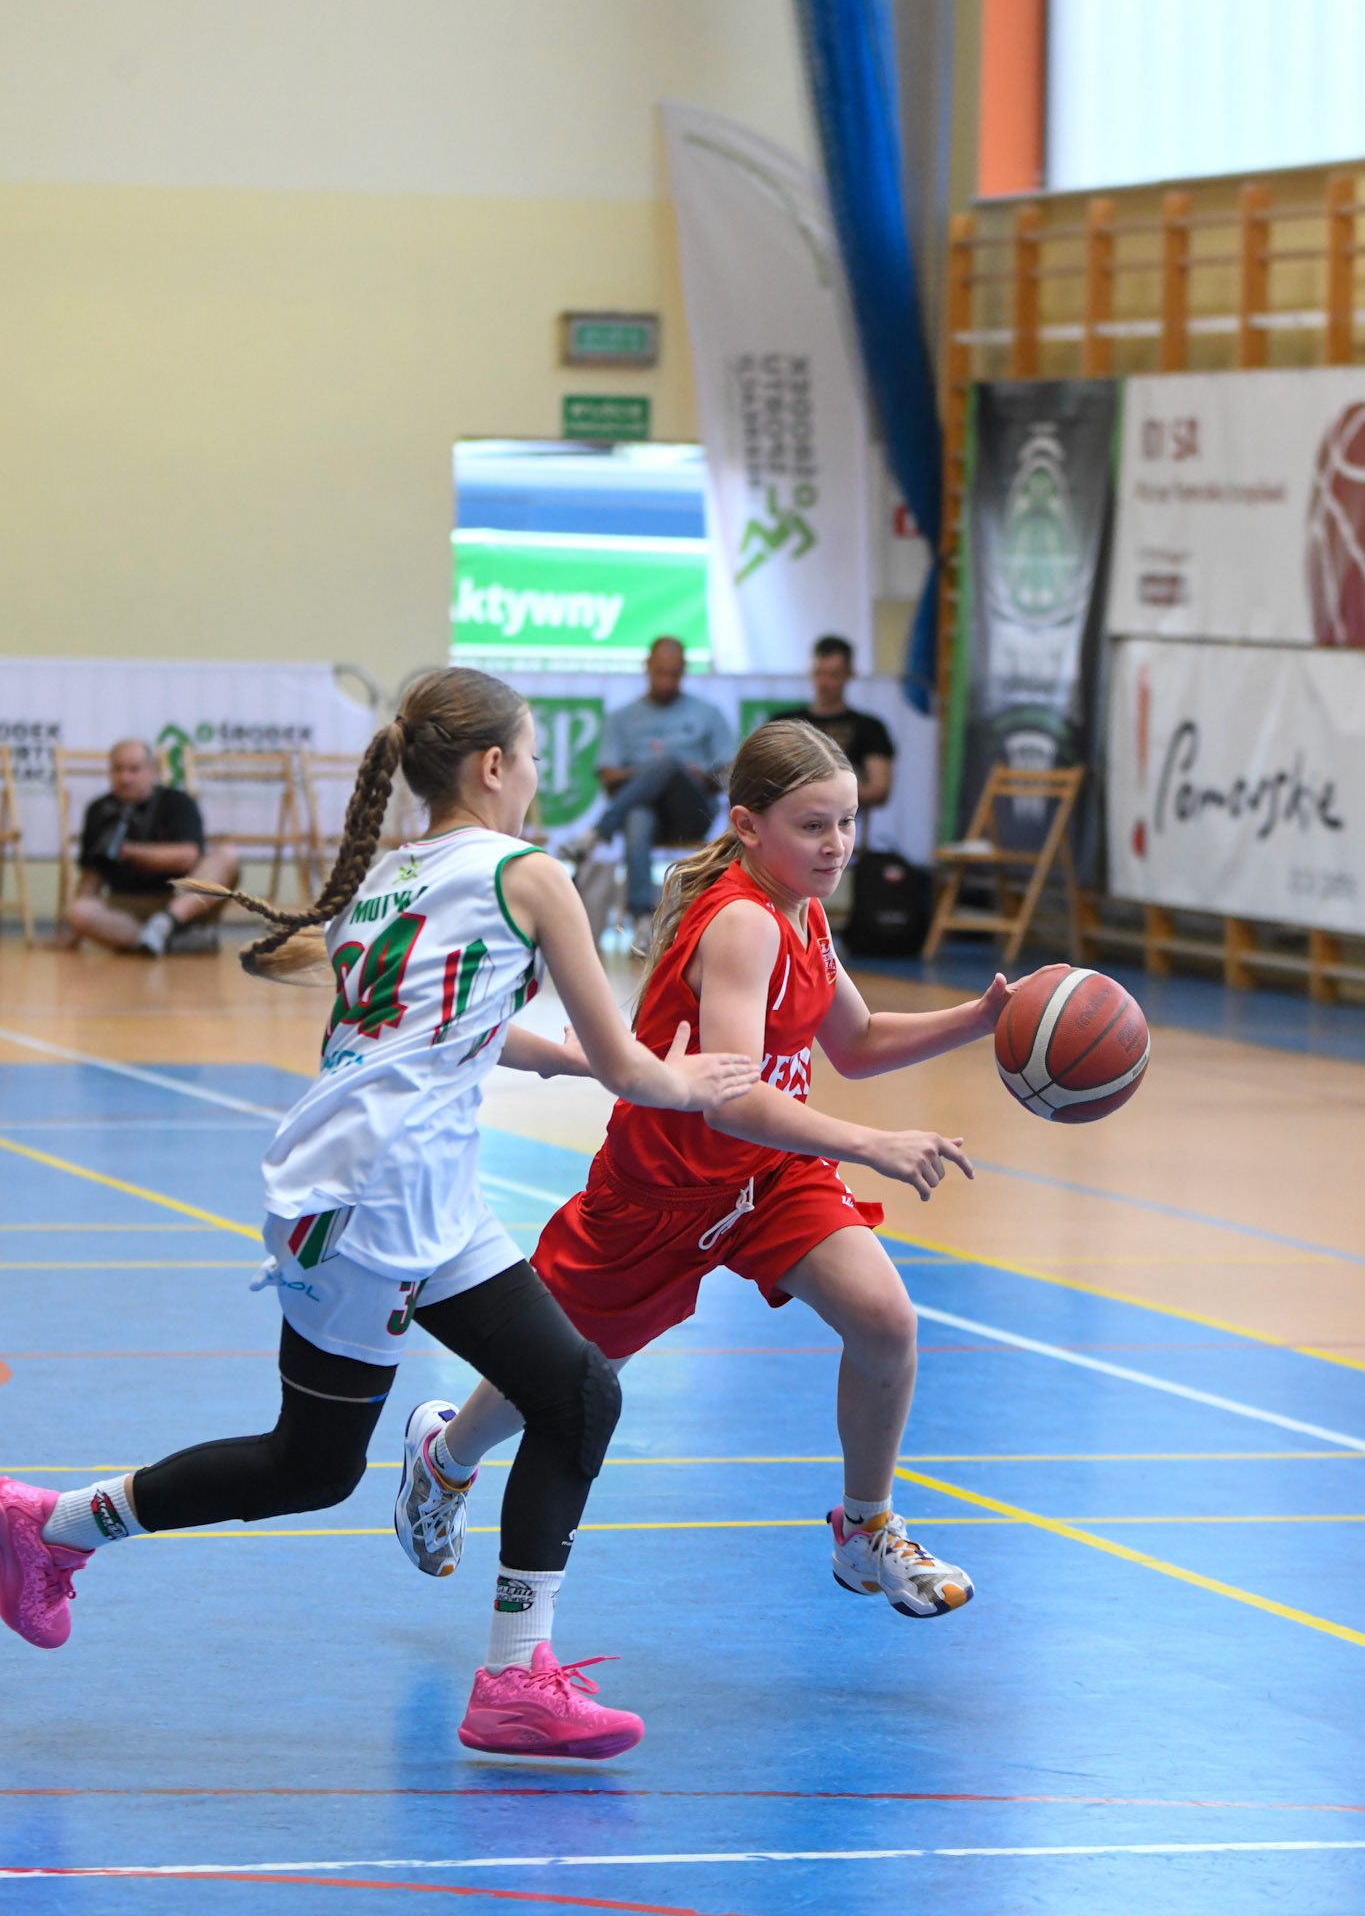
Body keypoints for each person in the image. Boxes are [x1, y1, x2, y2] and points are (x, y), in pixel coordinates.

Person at [0, 668, 756, 1760]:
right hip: (376, 1198)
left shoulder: (395, 874)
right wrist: (690, 1081)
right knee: (322, 1463)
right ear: (491, 765)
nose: (535, 777)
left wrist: (552, 1060)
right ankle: (55, 1525)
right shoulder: (530, 874)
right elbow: (631, 1064)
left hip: (397, 1185)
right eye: (530, 757)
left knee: (569, 1394)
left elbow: (429, 1025)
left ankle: (513, 1676)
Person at [401, 722, 1064, 1624]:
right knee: (564, 1376)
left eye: (847, 822)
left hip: (769, 1176)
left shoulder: (803, 912)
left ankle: (864, 1528)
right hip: (661, 1190)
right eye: (812, 826)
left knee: (884, 1320)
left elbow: (856, 1042)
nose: (836, 845)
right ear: (748, 826)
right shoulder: (745, 922)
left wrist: (979, 1019)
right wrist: (869, 1144)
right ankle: (444, 1459)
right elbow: (729, 1098)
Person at [561, 636, 732, 952]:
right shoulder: (622, 717)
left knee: (665, 762)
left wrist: (691, 774)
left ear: (684, 671)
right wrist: (653, 773)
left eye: (674, 674)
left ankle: (597, 834)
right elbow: (608, 775)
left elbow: (728, 772)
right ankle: (642, 920)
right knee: (640, 813)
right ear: (647, 668)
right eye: (660, 673)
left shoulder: (708, 713)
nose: (667, 681)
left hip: (692, 813)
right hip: (644, 817)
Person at [58, 739, 240, 957]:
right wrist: (76, 933)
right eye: (118, 769)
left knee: (227, 855)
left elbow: (188, 857)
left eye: (134, 769)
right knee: (77, 911)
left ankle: (164, 924)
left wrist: (131, 852)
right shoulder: (98, 810)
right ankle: (163, 942)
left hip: (181, 901)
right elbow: (91, 876)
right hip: (126, 907)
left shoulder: (177, 802)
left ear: (152, 771)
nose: (125, 778)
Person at [772, 635, 895, 810]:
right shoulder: (784, 724)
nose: (823, 683)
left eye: (833, 675)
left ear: (850, 674)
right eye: (819, 673)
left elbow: (879, 789)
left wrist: (817, 790)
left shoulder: (870, 728)